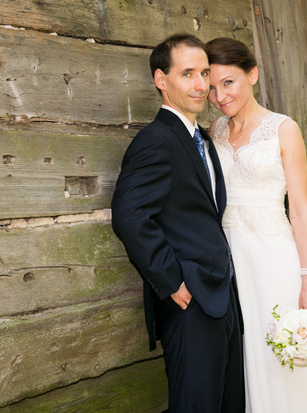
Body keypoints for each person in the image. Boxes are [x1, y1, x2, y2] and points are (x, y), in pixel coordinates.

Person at [111, 34, 245, 412]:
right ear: (161, 79)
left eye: (204, 73)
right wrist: (173, 282)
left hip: (223, 298)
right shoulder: (156, 140)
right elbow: (129, 216)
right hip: (190, 303)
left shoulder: (200, 139)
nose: (201, 85)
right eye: (187, 74)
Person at [205, 37, 307, 412]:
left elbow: (301, 210)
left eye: (228, 82)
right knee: (244, 362)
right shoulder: (214, 130)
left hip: (273, 259)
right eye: (212, 87)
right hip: (230, 263)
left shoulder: (284, 128)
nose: (220, 95)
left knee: (283, 358)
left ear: (253, 74)